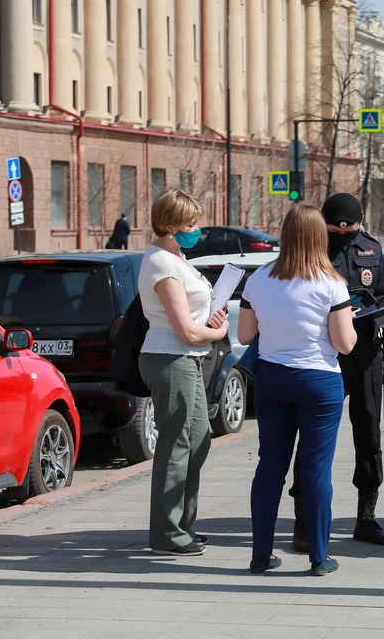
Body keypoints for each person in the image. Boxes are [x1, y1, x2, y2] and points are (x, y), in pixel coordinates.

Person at [237, 204, 357, 577]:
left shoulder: (258, 279)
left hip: (272, 379)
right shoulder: (332, 283)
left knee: (270, 466)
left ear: (285, 235)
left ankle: (261, 555)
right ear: (319, 236)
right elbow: (345, 344)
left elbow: (244, 336)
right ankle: (319, 557)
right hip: (319, 381)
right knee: (316, 469)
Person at [285, 193, 384, 551]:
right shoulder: (311, 247)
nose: (342, 234)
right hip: (324, 355)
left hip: (367, 350)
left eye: (349, 229)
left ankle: (366, 518)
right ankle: (303, 522)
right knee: (313, 437)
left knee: (369, 434)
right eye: (335, 229)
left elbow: (381, 293)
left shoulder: (370, 247)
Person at [137, 190, 229, 556]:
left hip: (186, 356)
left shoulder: (177, 257)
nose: (197, 228)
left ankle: (181, 525)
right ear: (169, 224)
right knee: (177, 444)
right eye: (191, 223)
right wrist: (217, 332)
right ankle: (167, 532)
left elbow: (192, 322)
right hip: (169, 356)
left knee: (198, 440)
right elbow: (185, 331)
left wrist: (210, 319)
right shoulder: (161, 262)